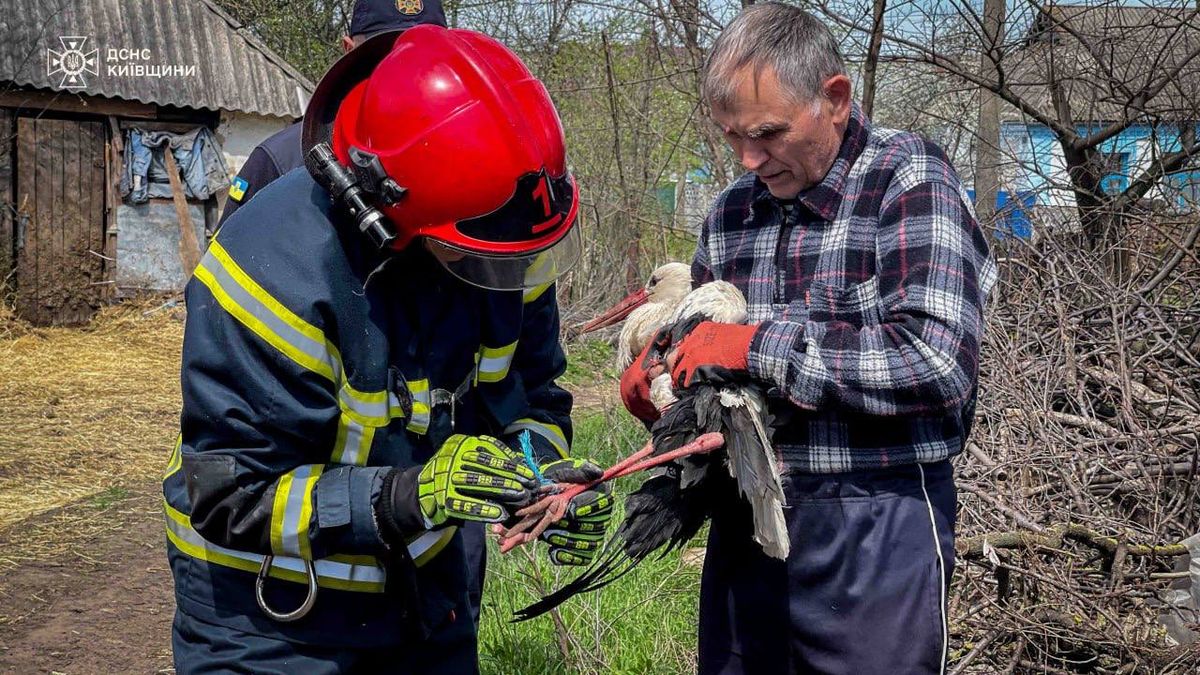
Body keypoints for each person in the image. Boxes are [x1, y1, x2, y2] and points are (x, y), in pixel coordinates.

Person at [165, 25, 613, 673]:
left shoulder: (502, 233)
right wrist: (406, 495)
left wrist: (539, 476)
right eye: (477, 261)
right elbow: (233, 495)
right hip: (268, 617)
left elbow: (530, 396)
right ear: (394, 221)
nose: (512, 280)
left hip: (423, 595)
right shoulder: (270, 274)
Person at [619, 4, 996, 674]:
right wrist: (667, 391)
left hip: (875, 525)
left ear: (836, 99)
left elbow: (936, 362)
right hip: (746, 529)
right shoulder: (732, 213)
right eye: (733, 135)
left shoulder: (908, 183)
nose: (748, 157)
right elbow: (706, 373)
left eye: (767, 133)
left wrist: (756, 347)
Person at [218, 0, 448, 228]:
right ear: (349, 51)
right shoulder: (280, 161)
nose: (407, 69)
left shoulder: (478, 160)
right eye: (387, 53)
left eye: (427, 50)